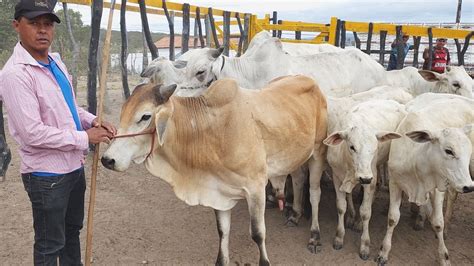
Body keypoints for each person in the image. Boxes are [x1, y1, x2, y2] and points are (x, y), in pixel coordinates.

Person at [0, 0, 116, 265]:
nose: (43, 30)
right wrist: (85, 138)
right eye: (34, 23)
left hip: (73, 167)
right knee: (50, 245)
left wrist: (92, 120)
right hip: (46, 176)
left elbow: (69, 108)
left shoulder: (55, 62)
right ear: (17, 26)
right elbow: (32, 133)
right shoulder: (15, 75)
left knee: (72, 233)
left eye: (48, 24)